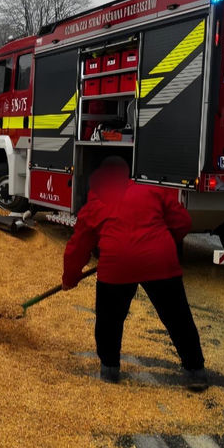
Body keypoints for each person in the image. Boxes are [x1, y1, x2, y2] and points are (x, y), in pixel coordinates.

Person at [62, 156, 207, 390]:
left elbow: (78, 247)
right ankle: (196, 371)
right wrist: (166, 242)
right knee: (177, 317)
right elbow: (182, 222)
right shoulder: (152, 190)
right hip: (160, 262)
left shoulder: (95, 203)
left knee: (109, 319)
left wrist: (70, 278)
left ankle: (109, 369)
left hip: (117, 266)